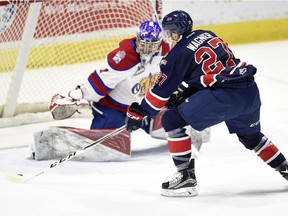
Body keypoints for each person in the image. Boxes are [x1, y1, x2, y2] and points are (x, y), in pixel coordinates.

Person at [125, 10, 288, 197]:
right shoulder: (207, 34)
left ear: (176, 33)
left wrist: (139, 112)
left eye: (169, 33)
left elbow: (158, 96)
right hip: (249, 91)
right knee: (252, 137)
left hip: (224, 97)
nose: (168, 38)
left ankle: (185, 177)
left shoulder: (176, 55)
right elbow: (216, 69)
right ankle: (285, 168)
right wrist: (188, 92)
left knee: (171, 119)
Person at [30, 20, 210, 161]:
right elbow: (98, 82)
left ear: (159, 42)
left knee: (169, 120)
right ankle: (50, 143)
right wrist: (75, 96)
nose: (146, 48)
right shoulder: (124, 57)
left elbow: (175, 72)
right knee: (111, 147)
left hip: (145, 107)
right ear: (137, 39)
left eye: (151, 44)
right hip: (114, 107)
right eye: (143, 43)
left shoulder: (166, 50)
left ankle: (197, 124)